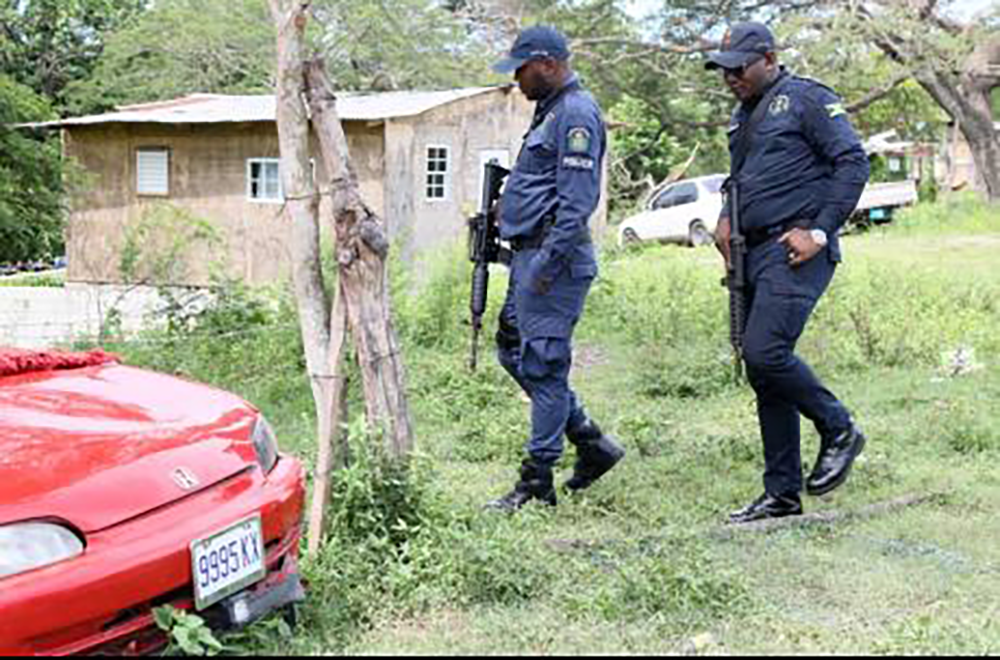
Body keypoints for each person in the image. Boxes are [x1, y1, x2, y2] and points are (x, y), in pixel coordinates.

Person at [706, 22, 871, 523]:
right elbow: (741, 180)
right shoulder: (743, 116)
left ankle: (839, 427)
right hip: (752, 252)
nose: (731, 77)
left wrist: (819, 231)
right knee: (763, 372)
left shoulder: (806, 99)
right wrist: (724, 221)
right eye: (724, 70)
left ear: (770, 59)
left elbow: (852, 163)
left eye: (740, 67)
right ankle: (781, 493)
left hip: (795, 247)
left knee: (766, 352)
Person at [486, 25, 625, 512]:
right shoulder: (549, 111)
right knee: (511, 350)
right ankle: (589, 440)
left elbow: (577, 201)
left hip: (553, 262)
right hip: (529, 255)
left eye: (521, 71)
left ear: (546, 63)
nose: (517, 81)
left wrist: (546, 263)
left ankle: (537, 480)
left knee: (543, 367)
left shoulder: (576, 114)